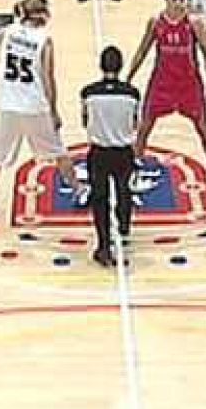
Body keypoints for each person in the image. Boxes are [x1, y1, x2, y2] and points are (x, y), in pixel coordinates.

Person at [0, 0, 84, 225]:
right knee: (58, 152)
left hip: (7, 106)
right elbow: (48, 78)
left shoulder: (5, 33)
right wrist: (54, 111)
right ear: (41, 15)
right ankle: (79, 190)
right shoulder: (44, 40)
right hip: (34, 107)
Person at [127, 0, 206, 193]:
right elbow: (142, 51)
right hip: (162, 83)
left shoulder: (194, 24)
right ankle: (134, 168)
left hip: (188, 84)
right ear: (166, 0)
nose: (178, 3)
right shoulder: (156, 23)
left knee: (203, 126)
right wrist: (128, 78)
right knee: (145, 126)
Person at [82, 45, 140, 268]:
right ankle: (124, 229)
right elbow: (134, 122)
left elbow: (85, 120)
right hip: (123, 151)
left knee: (100, 198)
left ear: (101, 65)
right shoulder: (132, 94)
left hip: (99, 152)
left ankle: (104, 245)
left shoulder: (88, 93)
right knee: (124, 191)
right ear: (121, 66)